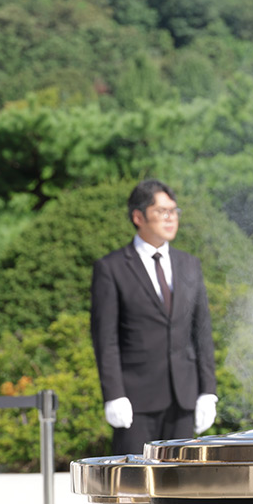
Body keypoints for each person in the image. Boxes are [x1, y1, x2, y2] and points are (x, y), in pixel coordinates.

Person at [91, 179, 218, 455]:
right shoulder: (111, 268)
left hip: (184, 398)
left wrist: (208, 391)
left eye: (174, 211)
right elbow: (105, 339)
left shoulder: (189, 264)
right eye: (161, 211)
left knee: (181, 478)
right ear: (138, 217)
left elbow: (202, 332)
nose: (170, 218)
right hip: (135, 401)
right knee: (135, 479)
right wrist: (114, 394)